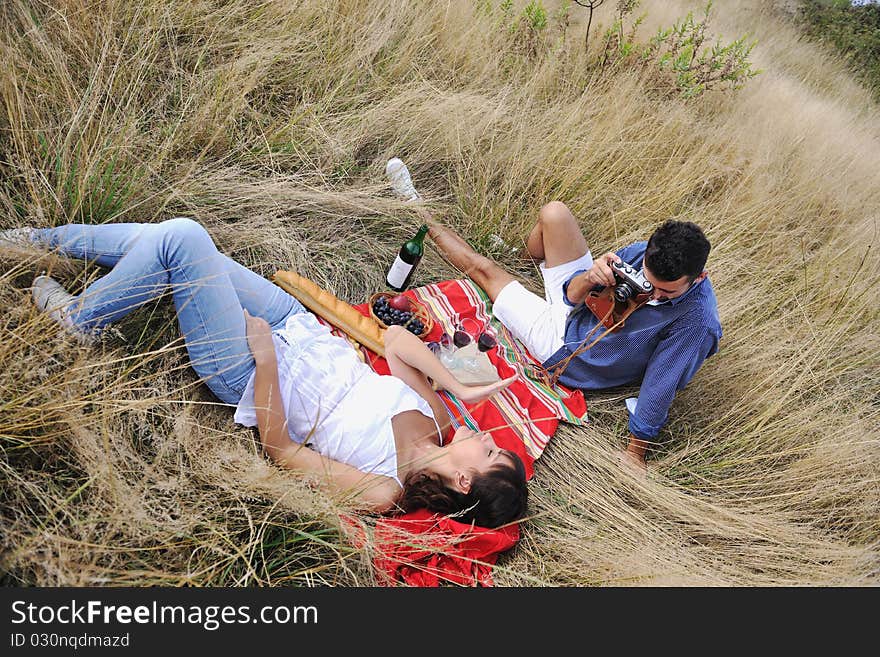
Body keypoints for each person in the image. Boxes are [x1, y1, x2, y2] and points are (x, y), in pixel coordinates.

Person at [0, 219, 528, 528]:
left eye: (487, 451)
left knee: (182, 240)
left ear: (464, 481)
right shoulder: (437, 420)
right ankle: (35, 240)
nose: (484, 435)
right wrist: (454, 385)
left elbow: (284, 452)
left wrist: (267, 361)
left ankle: (81, 321)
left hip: (251, 368)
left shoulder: (384, 490)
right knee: (165, 237)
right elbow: (393, 342)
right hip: (294, 325)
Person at [416, 202, 722, 473]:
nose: (652, 294)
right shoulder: (646, 253)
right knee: (554, 214)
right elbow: (571, 296)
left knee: (483, 269)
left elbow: (661, 386)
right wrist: (592, 276)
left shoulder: (695, 323)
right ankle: (520, 262)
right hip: (580, 309)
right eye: (648, 283)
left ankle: (417, 210)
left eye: (665, 292)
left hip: (565, 348)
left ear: (699, 278)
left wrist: (635, 455)